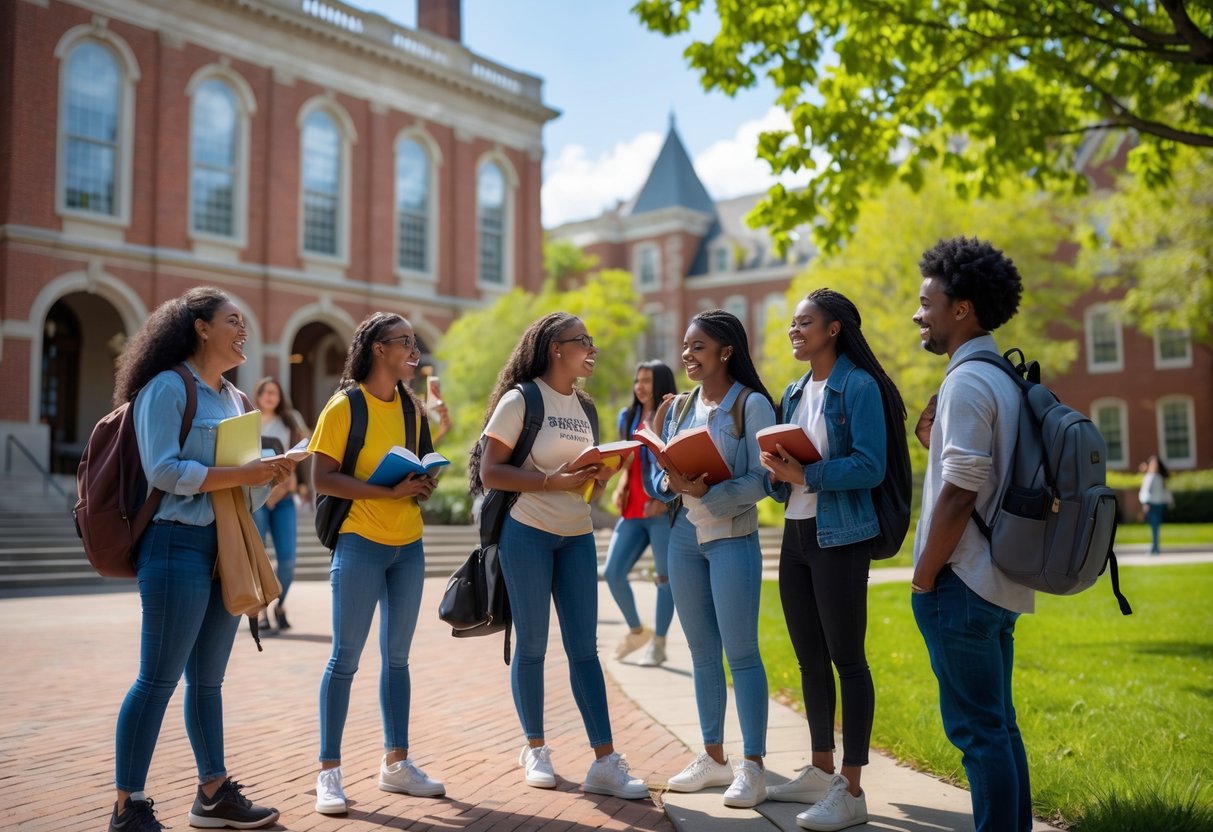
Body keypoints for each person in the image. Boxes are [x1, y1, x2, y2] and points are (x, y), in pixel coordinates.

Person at [109, 287, 294, 832]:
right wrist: (244, 472)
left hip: (225, 550)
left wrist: (272, 475)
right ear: (200, 327)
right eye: (233, 321)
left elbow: (241, 493)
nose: (244, 332)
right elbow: (163, 472)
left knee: (208, 681)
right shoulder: (166, 388)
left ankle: (213, 794)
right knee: (157, 680)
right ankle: (127, 806)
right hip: (174, 547)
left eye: (245, 325)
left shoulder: (236, 401)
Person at [469, 312, 649, 800]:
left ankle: (605, 761)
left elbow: (580, 481)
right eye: (582, 341)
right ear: (555, 348)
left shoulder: (586, 408)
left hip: (576, 534)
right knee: (531, 644)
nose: (591, 348)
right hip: (526, 532)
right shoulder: (521, 398)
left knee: (584, 648)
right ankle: (535, 748)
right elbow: (491, 472)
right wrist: (550, 481)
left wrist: (598, 477)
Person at [759, 289, 907, 830]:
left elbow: (869, 466)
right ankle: (821, 770)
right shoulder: (796, 390)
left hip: (840, 536)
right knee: (808, 658)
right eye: (793, 323)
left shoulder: (860, 386)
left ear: (834, 329)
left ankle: (852, 787)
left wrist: (807, 475)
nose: (794, 331)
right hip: (796, 535)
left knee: (848, 659)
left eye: (805, 323)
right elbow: (789, 472)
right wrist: (779, 475)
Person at [910, 237, 1034, 832]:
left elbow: (960, 492)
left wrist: (924, 574)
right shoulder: (1002, 375)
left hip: (961, 580)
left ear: (962, 309)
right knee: (999, 725)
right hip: (1000, 577)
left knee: (978, 732)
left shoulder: (965, 382)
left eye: (927, 301)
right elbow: (977, 472)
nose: (919, 314)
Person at [308, 312, 445, 815]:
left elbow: (422, 468)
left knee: (398, 659)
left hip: (408, 545)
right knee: (344, 658)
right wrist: (381, 491)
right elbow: (321, 478)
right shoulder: (345, 405)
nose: (413, 349)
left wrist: (423, 485)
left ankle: (397, 764)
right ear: (377, 349)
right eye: (404, 342)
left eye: (415, 342)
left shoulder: (413, 409)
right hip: (360, 540)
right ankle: (328, 773)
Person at [650, 309, 777, 809]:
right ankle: (713, 757)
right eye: (685, 347)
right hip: (684, 535)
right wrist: (673, 482)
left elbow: (766, 478)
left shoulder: (753, 405)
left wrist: (714, 491)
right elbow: (665, 471)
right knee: (702, 653)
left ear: (726, 351)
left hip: (732, 535)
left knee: (741, 654)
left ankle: (754, 767)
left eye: (697, 347)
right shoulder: (681, 406)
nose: (687, 355)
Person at [603, 359, 679, 667]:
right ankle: (637, 631)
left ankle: (658, 642)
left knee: (664, 579)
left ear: (661, 383)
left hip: (661, 510)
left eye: (647, 380)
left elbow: (680, 459)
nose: (640, 387)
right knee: (612, 572)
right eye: (638, 380)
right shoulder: (629, 415)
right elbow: (630, 456)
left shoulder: (675, 414)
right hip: (633, 508)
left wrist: (668, 497)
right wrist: (621, 481)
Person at [252, 376, 307, 634]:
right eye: (267, 392)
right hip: (256, 497)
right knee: (260, 558)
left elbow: (302, 455)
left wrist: (302, 484)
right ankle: (261, 610)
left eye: (275, 392)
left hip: (284, 496)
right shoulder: (249, 422)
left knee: (288, 561)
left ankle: (280, 605)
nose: (271, 397)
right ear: (259, 395)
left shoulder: (289, 421)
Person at [1138, 454, 1173, 555]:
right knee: (1154, 526)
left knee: (1155, 526)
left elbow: (1164, 491)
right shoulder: (1151, 477)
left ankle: (1155, 547)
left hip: (1156, 505)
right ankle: (1155, 547)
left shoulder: (1156, 477)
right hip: (1153, 504)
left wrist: (1169, 502)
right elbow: (1146, 491)